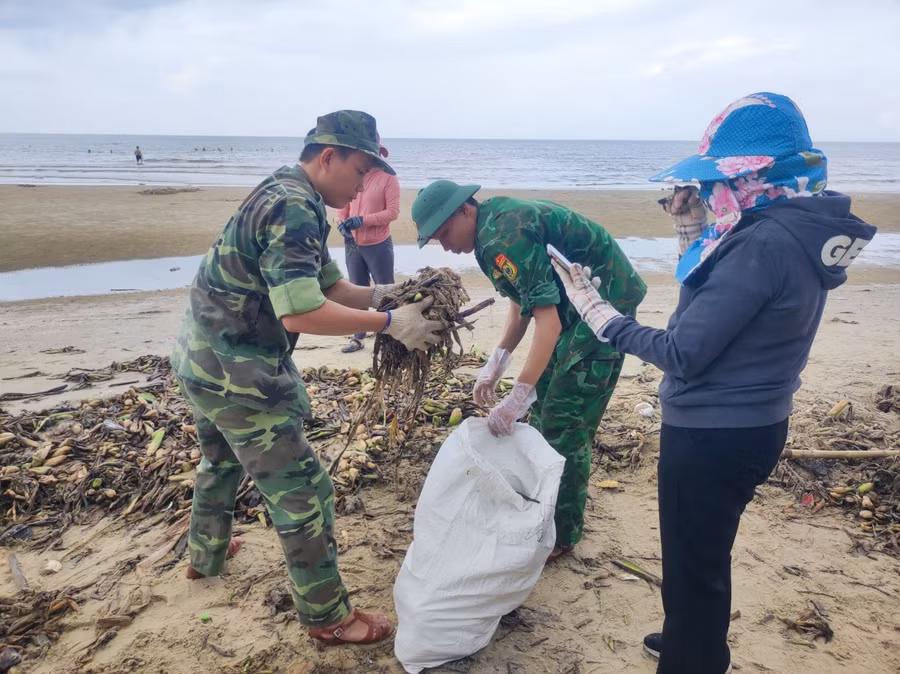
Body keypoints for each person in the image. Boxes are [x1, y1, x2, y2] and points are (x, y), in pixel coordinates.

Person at [550, 92, 878, 674]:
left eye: (713, 185)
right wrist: (689, 229)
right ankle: (691, 640)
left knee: (692, 563)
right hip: (755, 421)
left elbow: (683, 350)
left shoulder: (760, 244)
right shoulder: (796, 228)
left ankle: (694, 658)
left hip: (711, 434)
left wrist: (600, 314)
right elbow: (709, 309)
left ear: (753, 176)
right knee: (703, 556)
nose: (706, 195)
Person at [171, 110, 442, 647]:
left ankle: (204, 555)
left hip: (199, 359)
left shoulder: (288, 192)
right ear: (328, 156)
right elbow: (301, 315)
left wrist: (389, 295)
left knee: (220, 460)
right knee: (304, 491)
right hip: (237, 374)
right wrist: (391, 324)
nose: (365, 184)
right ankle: (327, 617)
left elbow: (332, 289)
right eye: (361, 170)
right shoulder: (295, 206)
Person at [411, 181, 647, 560]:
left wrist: (517, 395)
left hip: (604, 301)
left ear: (464, 210)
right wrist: (498, 360)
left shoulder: (503, 235)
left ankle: (563, 534)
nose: (446, 245)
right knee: (543, 406)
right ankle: (547, 504)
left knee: (564, 420)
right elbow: (524, 300)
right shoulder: (488, 234)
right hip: (572, 304)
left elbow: (548, 324)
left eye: (443, 233)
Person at [335, 134, 400, 353]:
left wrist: (363, 220)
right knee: (357, 288)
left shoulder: (388, 178)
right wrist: (341, 221)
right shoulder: (353, 175)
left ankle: (390, 336)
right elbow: (343, 205)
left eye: (376, 154)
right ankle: (358, 337)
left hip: (378, 244)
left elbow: (392, 213)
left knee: (385, 290)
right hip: (353, 244)